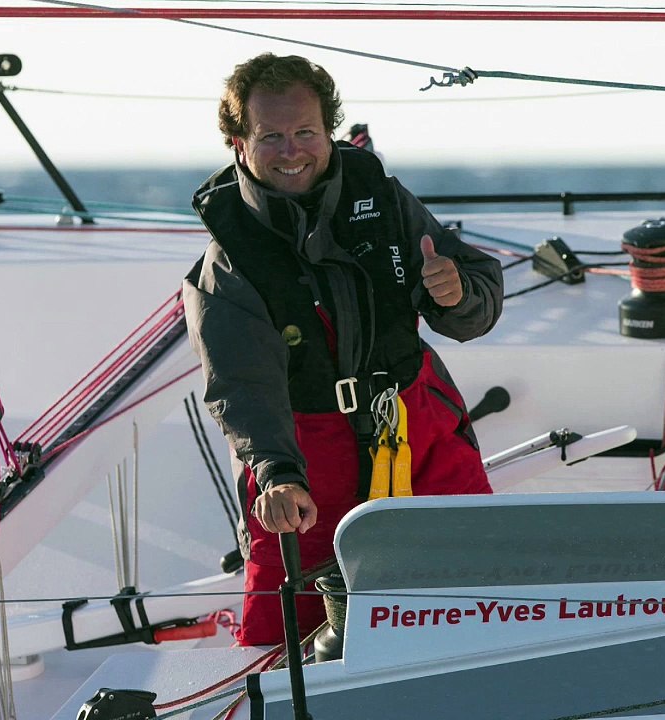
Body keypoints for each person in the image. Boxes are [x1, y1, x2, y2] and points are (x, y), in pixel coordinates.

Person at [182, 53, 503, 646]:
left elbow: (474, 296)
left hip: (417, 422)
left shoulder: (382, 197)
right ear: (236, 142)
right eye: (270, 136)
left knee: (475, 589)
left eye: (306, 132)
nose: (292, 151)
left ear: (327, 132)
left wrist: (456, 294)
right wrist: (275, 473)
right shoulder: (225, 266)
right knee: (298, 634)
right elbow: (240, 385)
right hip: (304, 453)